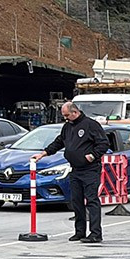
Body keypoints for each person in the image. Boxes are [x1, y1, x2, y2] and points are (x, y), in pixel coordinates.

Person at [33, 101, 109, 244]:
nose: (65, 118)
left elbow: (103, 143)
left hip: (90, 170)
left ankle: (95, 233)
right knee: (76, 201)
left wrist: (92, 155)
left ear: (75, 112)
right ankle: (80, 232)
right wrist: (43, 154)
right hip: (75, 169)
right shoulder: (67, 127)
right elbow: (59, 142)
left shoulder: (90, 125)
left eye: (67, 115)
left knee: (91, 200)